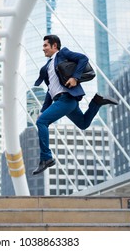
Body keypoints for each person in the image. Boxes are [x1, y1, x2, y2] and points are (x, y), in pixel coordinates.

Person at [32, 34, 118, 175]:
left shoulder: (63, 53)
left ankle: (46, 158)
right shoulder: (47, 67)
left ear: (54, 46)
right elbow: (50, 91)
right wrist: (43, 110)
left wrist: (74, 77)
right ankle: (97, 102)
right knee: (83, 123)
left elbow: (83, 59)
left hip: (66, 99)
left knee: (41, 122)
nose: (43, 49)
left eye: (45, 45)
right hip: (63, 101)